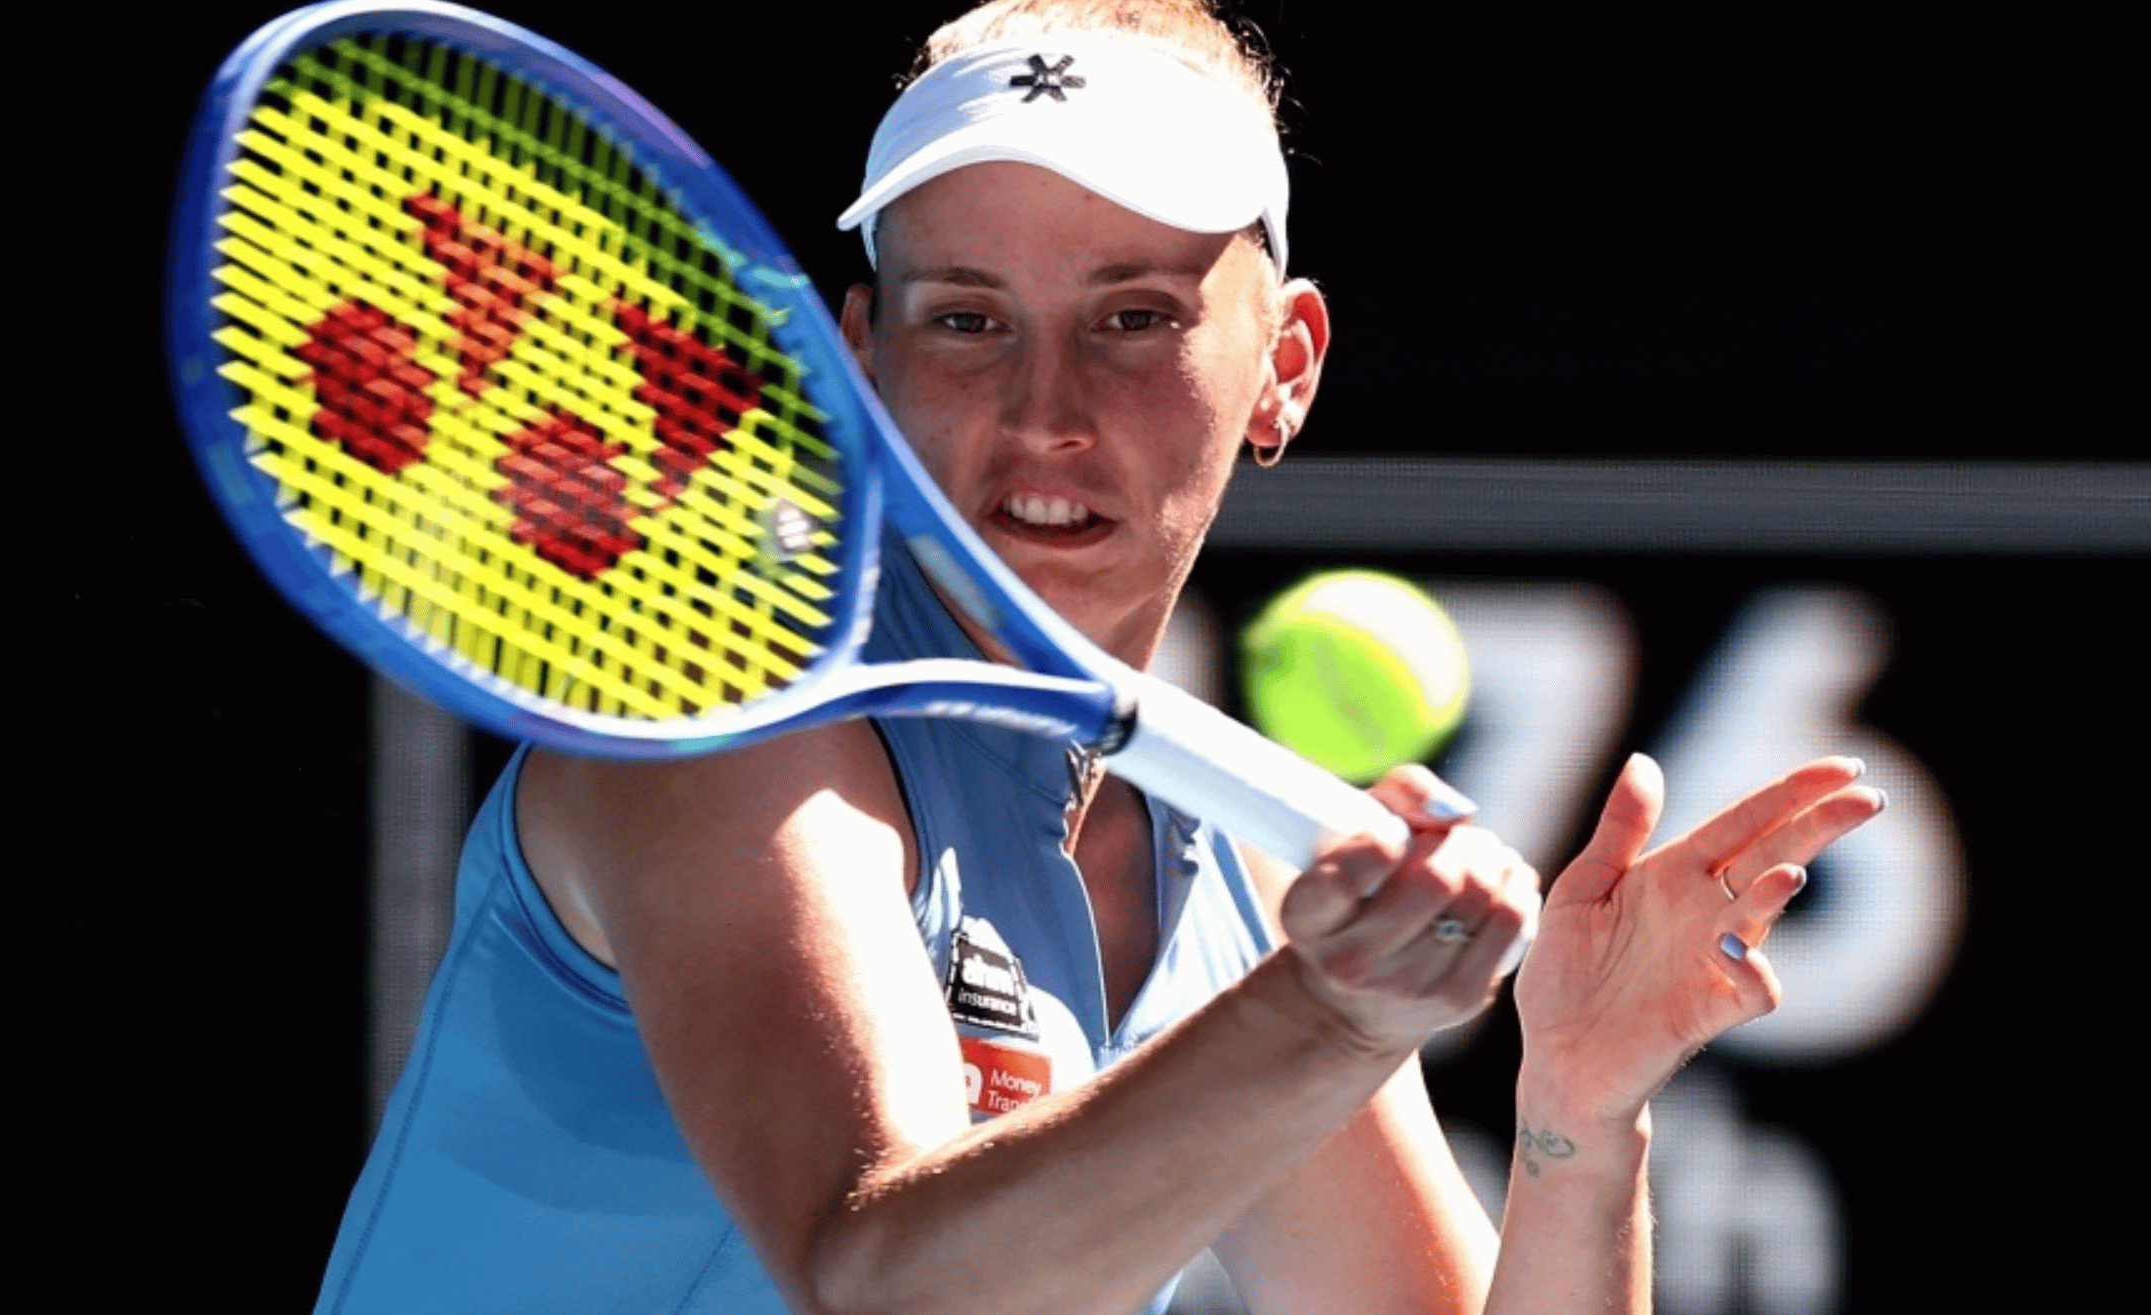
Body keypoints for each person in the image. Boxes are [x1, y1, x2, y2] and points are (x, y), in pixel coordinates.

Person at [315, 2, 1885, 1312]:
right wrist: (1331, 1018)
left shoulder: (1254, 886)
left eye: (1133, 320)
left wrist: (1579, 1124)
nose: (1043, 413)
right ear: (861, 361)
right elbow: (889, 1280)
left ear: (1284, 370)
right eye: (968, 321)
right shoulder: (734, 722)